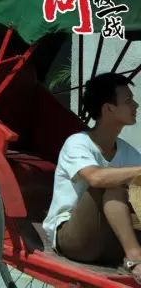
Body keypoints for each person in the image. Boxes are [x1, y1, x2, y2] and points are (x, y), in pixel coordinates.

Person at [42, 72, 141, 281]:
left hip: (110, 240)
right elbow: (95, 178)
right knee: (110, 185)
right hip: (75, 239)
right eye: (128, 100)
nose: (136, 105)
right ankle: (135, 257)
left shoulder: (128, 152)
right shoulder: (77, 143)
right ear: (108, 108)